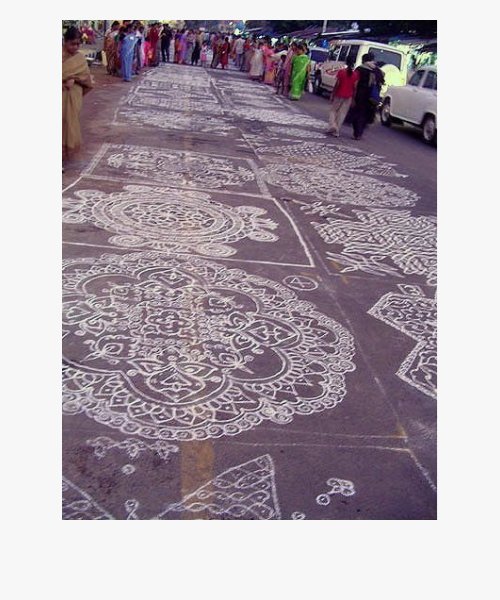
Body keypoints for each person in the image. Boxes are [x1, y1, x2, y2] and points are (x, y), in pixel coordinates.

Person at [62, 27, 93, 165]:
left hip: (73, 96)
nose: (75, 47)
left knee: (69, 123)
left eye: (78, 44)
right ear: (65, 41)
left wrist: (74, 79)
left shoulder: (80, 59)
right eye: (72, 44)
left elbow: (87, 79)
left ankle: (63, 156)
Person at [351, 52, 385, 140]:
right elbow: (381, 82)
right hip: (372, 96)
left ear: (364, 60)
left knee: (357, 112)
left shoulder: (360, 69)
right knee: (365, 114)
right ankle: (360, 132)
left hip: (360, 94)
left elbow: (354, 81)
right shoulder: (378, 71)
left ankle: (357, 132)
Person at [327, 56, 359, 137]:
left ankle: (332, 125)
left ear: (346, 62)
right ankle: (336, 131)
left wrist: (333, 94)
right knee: (342, 113)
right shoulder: (355, 75)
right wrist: (353, 99)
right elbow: (355, 88)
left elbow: (337, 84)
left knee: (333, 111)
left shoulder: (341, 72)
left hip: (339, 94)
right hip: (348, 96)